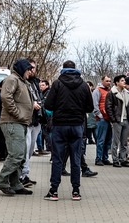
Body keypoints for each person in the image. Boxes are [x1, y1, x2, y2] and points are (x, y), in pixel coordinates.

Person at [43, 60, 93, 201]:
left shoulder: (57, 84)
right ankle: (75, 191)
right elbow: (89, 107)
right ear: (75, 69)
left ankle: (54, 191)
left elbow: (48, 104)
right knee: (76, 159)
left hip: (59, 126)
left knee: (58, 159)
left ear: (63, 69)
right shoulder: (84, 85)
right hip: (77, 126)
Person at [0, 58, 34, 196]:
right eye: (29, 69)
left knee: (21, 155)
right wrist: (18, 114)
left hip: (19, 122)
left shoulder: (21, 81)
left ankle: (16, 183)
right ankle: (2, 180)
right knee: (16, 154)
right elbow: (6, 97)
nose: (30, 72)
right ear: (23, 69)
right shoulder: (12, 79)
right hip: (12, 122)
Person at [20, 59, 42, 187]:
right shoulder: (23, 82)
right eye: (30, 68)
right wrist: (32, 104)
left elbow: (38, 97)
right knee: (26, 148)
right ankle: (22, 175)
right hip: (26, 120)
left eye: (34, 68)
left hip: (36, 120)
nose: (32, 70)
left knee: (30, 149)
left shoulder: (35, 82)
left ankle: (25, 174)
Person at [105, 74, 129, 168]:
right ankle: (115, 160)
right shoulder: (112, 93)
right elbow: (108, 107)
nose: (124, 82)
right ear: (117, 82)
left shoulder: (127, 93)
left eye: (124, 80)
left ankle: (123, 159)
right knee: (115, 141)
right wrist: (113, 120)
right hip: (117, 120)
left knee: (124, 142)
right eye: (122, 80)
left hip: (126, 120)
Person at [93, 76, 113, 166]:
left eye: (109, 81)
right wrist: (99, 115)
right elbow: (95, 104)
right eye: (106, 81)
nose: (108, 82)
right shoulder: (98, 91)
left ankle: (105, 158)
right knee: (101, 140)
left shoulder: (109, 91)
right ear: (102, 81)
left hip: (109, 119)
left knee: (108, 140)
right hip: (102, 119)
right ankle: (99, 158)